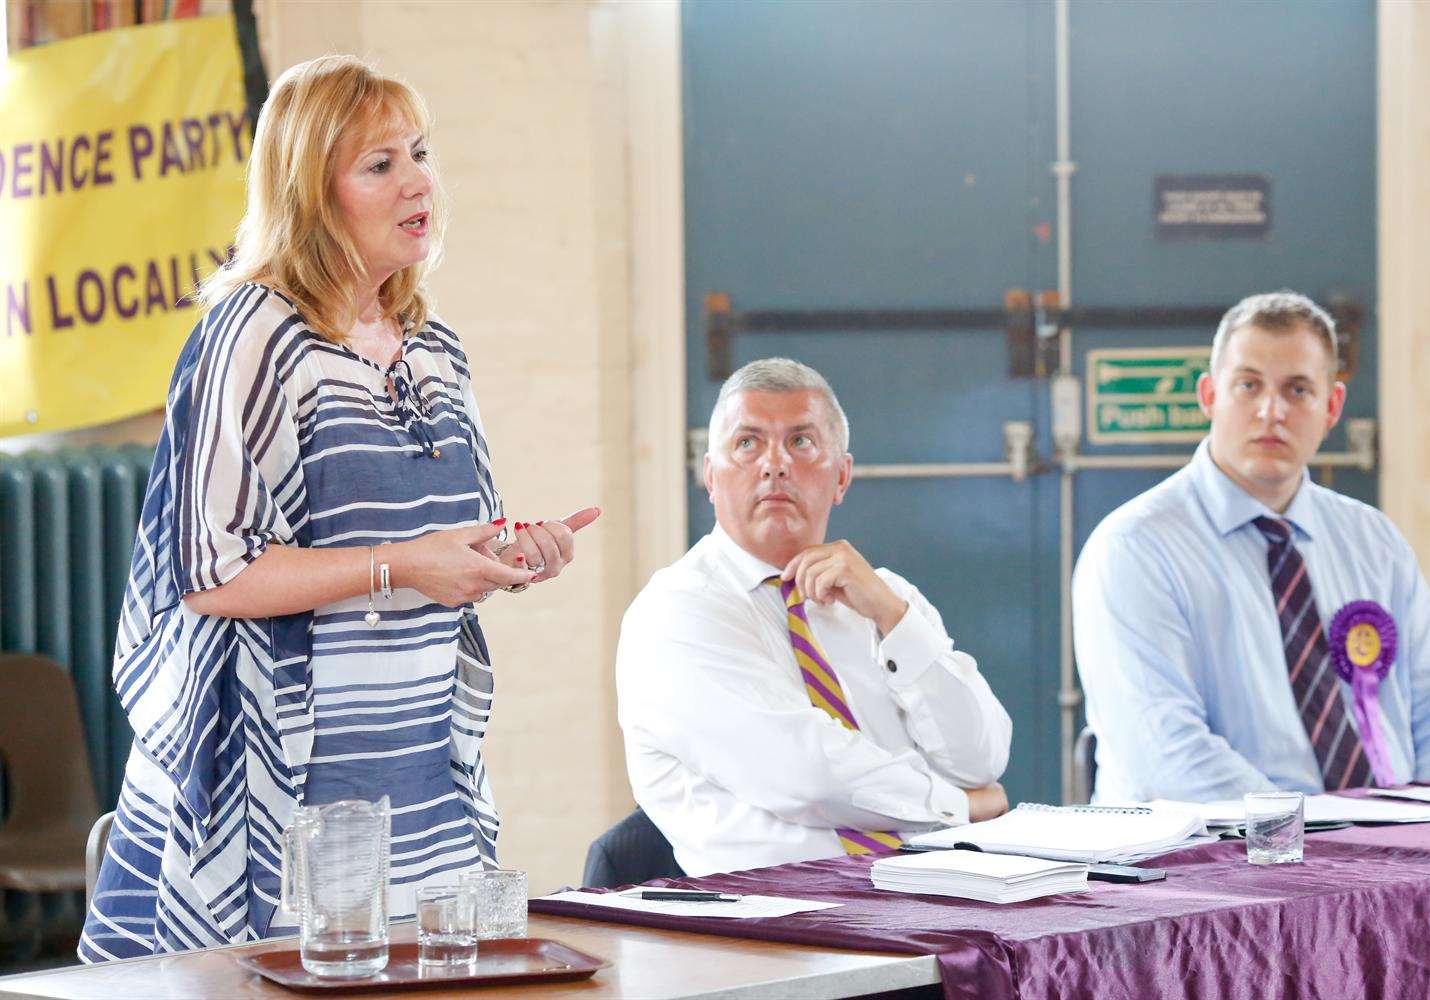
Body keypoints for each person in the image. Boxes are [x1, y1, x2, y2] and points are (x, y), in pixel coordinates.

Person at [79, 56, 599, 961]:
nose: (418, 181)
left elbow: (452, 541)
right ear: (311, 193)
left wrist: (515, 554)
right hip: (285, 791)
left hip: (422, 782)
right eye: (379, 164)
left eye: (421, 153)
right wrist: (402, 567)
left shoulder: (437, 348)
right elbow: (212, 571)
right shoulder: (254, 332)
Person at [1074, 290, 1430, 804]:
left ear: (1331, 406)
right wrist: (1321, 840)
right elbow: (1167, 754)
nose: (1271, 412)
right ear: (1209, 396)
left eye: (1297, 390)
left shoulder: (1373, 540)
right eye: (1248, 385)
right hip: (1210, 864)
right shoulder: (1134, 549)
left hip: (1395, 860)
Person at [616, 358, 1011, 876]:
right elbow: (805, 772)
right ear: (710, 477)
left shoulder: (887, 594)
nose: (774, 464)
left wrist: (894, 618)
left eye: (801, 442)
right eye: (747, 443)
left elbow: (980, 760)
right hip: (772, 926)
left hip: (929, 897)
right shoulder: (676, 611)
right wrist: (955, 806)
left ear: (841, 475)